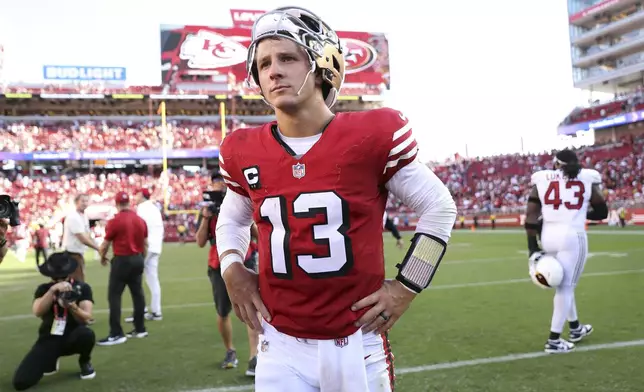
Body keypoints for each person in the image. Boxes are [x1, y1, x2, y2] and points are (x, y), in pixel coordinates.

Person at [215, 7, 457, 391]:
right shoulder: (243, 149)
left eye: (287, 58)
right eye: (263, 63)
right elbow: (232, 219)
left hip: (357, 344)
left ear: (323, 63)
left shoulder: (372, 133)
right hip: (280, 345)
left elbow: (439, 207)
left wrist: (407, 286)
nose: (273, 70)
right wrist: (231, 267)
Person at [525, 149, 608, 353]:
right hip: (572, 235)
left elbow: (531, 215)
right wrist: (578, 212)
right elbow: (602, 212)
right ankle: (554, 340)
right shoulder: (587, 177)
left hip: (548, 235)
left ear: (556, 163)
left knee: (563, 284)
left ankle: (575, 328)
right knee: (567, 288)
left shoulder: (542, 178)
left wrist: (532, 247)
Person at [197, 174, 259, 376]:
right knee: (223, 311)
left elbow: (258, 233)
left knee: (253, 308)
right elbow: (199, 241)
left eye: (222, 184)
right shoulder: (207, 209)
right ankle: (230, 350)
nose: (219, 187)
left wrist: (241, 220)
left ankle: (254, 357)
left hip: (245, 257)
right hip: (218, 262)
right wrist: (207, 217)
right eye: (216, 184)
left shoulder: (238, 201)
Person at [12, 251, 96, 390]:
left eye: (62, 276)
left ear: (69, 273)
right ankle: (51, 359)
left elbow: (87, 318)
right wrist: (51, 292)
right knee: (21, 382)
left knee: (87, 334)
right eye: (55, 277)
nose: (59, 280)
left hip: (73, 336)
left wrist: (72, 306)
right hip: (49, 338)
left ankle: (85, 361)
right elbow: (37, 311)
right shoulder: (44, 289)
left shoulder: (82, 288)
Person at [97, 191, 149, 346]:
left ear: (117, 203)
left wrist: (102, 257)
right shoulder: (140, 220)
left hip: (122, 259)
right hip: (138, 258)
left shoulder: (115, 221)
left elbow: (105, 244)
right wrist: (141, 259)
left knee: (114, 296)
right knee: (137, 293)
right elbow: (145, 244)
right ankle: (140, 328)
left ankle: (116, 333)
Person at [124, 188, 164, 322]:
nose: (134, 197)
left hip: (146, 246)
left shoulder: (142, 208)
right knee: (153, 279)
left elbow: (139, 228)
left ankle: (140, 311)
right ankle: (156, 311)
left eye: (136, 194)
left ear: (141, 195)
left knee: (134, 278)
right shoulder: (154, 207)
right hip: (156, 246)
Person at [63, 194, 100, 282]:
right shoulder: (73, 217)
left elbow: (87, 234)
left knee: (77, 279)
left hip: (78, 253)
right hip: (72, 253)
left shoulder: (84, 216)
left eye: (86, 201)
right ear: (76, 202)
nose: (85, 203)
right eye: (82, 201)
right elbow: (82, 238)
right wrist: (98, 248)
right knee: (78, 281)